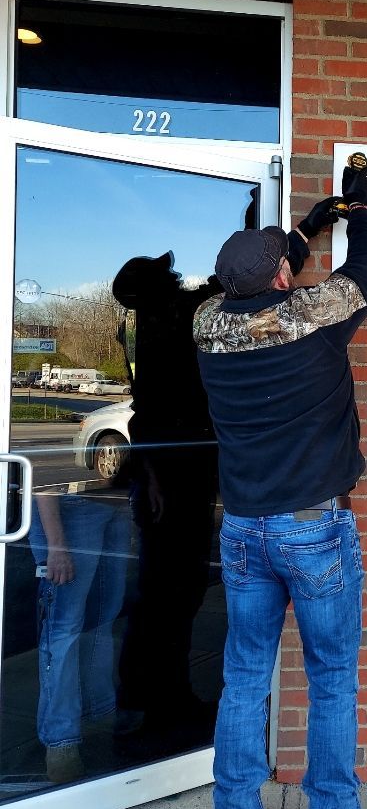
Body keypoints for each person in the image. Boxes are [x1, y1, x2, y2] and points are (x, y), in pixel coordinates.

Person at [193, 156, 367, 809]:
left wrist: (307, 226)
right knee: (332, 681)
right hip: (314, 531)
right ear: (283, 278)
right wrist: (359, 211)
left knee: (245, 681)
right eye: (289, 263)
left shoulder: (207, 325)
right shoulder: (314, 319)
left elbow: (264, 277)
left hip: (244, 531)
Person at [111, 252, 220, 741]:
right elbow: (146, 415)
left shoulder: (152, 322)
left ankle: (150, 700)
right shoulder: (164, 322)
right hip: (175, 481)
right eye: (166, 274)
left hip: (171, 477)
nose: (176, 277)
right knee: (171, 594)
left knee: (165, 593)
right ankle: (161, 705)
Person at [28, 487, 130, 782]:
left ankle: (97, 720)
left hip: (115, 503)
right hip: (70, 508)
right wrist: (56, 545)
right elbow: (41, 460)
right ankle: (62, 743)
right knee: (64, 627)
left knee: (103, 616)